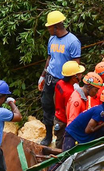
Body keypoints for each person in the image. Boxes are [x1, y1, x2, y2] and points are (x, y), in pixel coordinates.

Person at [38, 10, 81, 146]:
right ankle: (48, 136)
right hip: (50, 78)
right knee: (47, 106)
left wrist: (74, 81)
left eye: (49, 26)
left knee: (62, 111)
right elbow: (50, 58)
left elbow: (76, 62)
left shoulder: (73, 41)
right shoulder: (52, 39)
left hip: (63, 81)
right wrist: (43, 75)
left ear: (56, 26)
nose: (48, 29)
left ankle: (63, 139)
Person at [53, 61, 85, 148]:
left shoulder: (59, 83)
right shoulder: (70, 93)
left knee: (60, 140)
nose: (81, 75)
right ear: (74, 77)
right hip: (64, 121)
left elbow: (55, 98)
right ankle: (60, 160)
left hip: (58, 117)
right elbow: (70, 111)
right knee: (63, 145)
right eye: (79, 74)